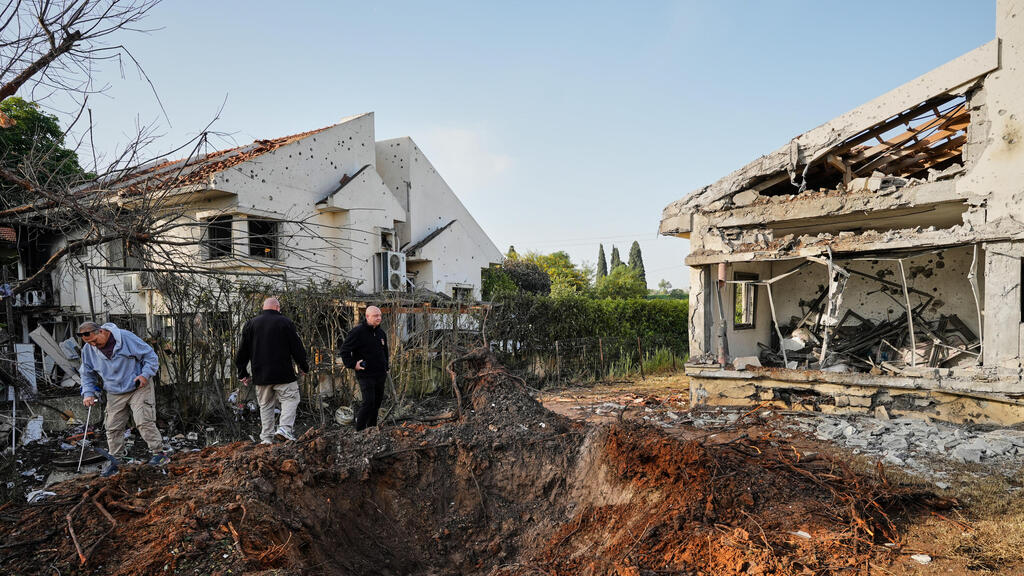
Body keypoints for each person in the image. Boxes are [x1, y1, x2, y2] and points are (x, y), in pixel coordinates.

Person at [78, 321, 168, 476]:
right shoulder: (89, 349)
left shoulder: (125, 338)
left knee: (143, 420)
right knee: (112, 426)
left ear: (101, 331)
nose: (93, 345)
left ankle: (159, 453)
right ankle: (115, 460)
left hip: (138, 385)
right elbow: (86, 372)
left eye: (94, 341)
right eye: (89, 343)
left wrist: (145, 374)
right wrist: (88, 393)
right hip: (114, 391)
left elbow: (150, 356)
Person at [235, 297, 309, 444]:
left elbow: (242, 351)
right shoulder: (285, 322)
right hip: (283, 374)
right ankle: (285, 428)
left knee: (266, 405)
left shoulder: (251, 324)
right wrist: (303, 365)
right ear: (277, 308)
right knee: (291, 399)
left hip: (261, 375)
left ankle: (267, 438)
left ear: (264, 308)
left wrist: (242, 372)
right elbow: (297, 347)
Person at [340, 305, 389, 431]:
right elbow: (344, 350)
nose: (379, 318)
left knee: (377, 403)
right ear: (367, 316)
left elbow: (385, 351)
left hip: (380, 373)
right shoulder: (358, 332)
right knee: (368, 402)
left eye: (380, 315)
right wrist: (353, 364)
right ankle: (360, 430)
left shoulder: (380, 333)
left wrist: (386, 366)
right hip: (365, 374)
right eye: (375, 316)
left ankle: (371, 428)